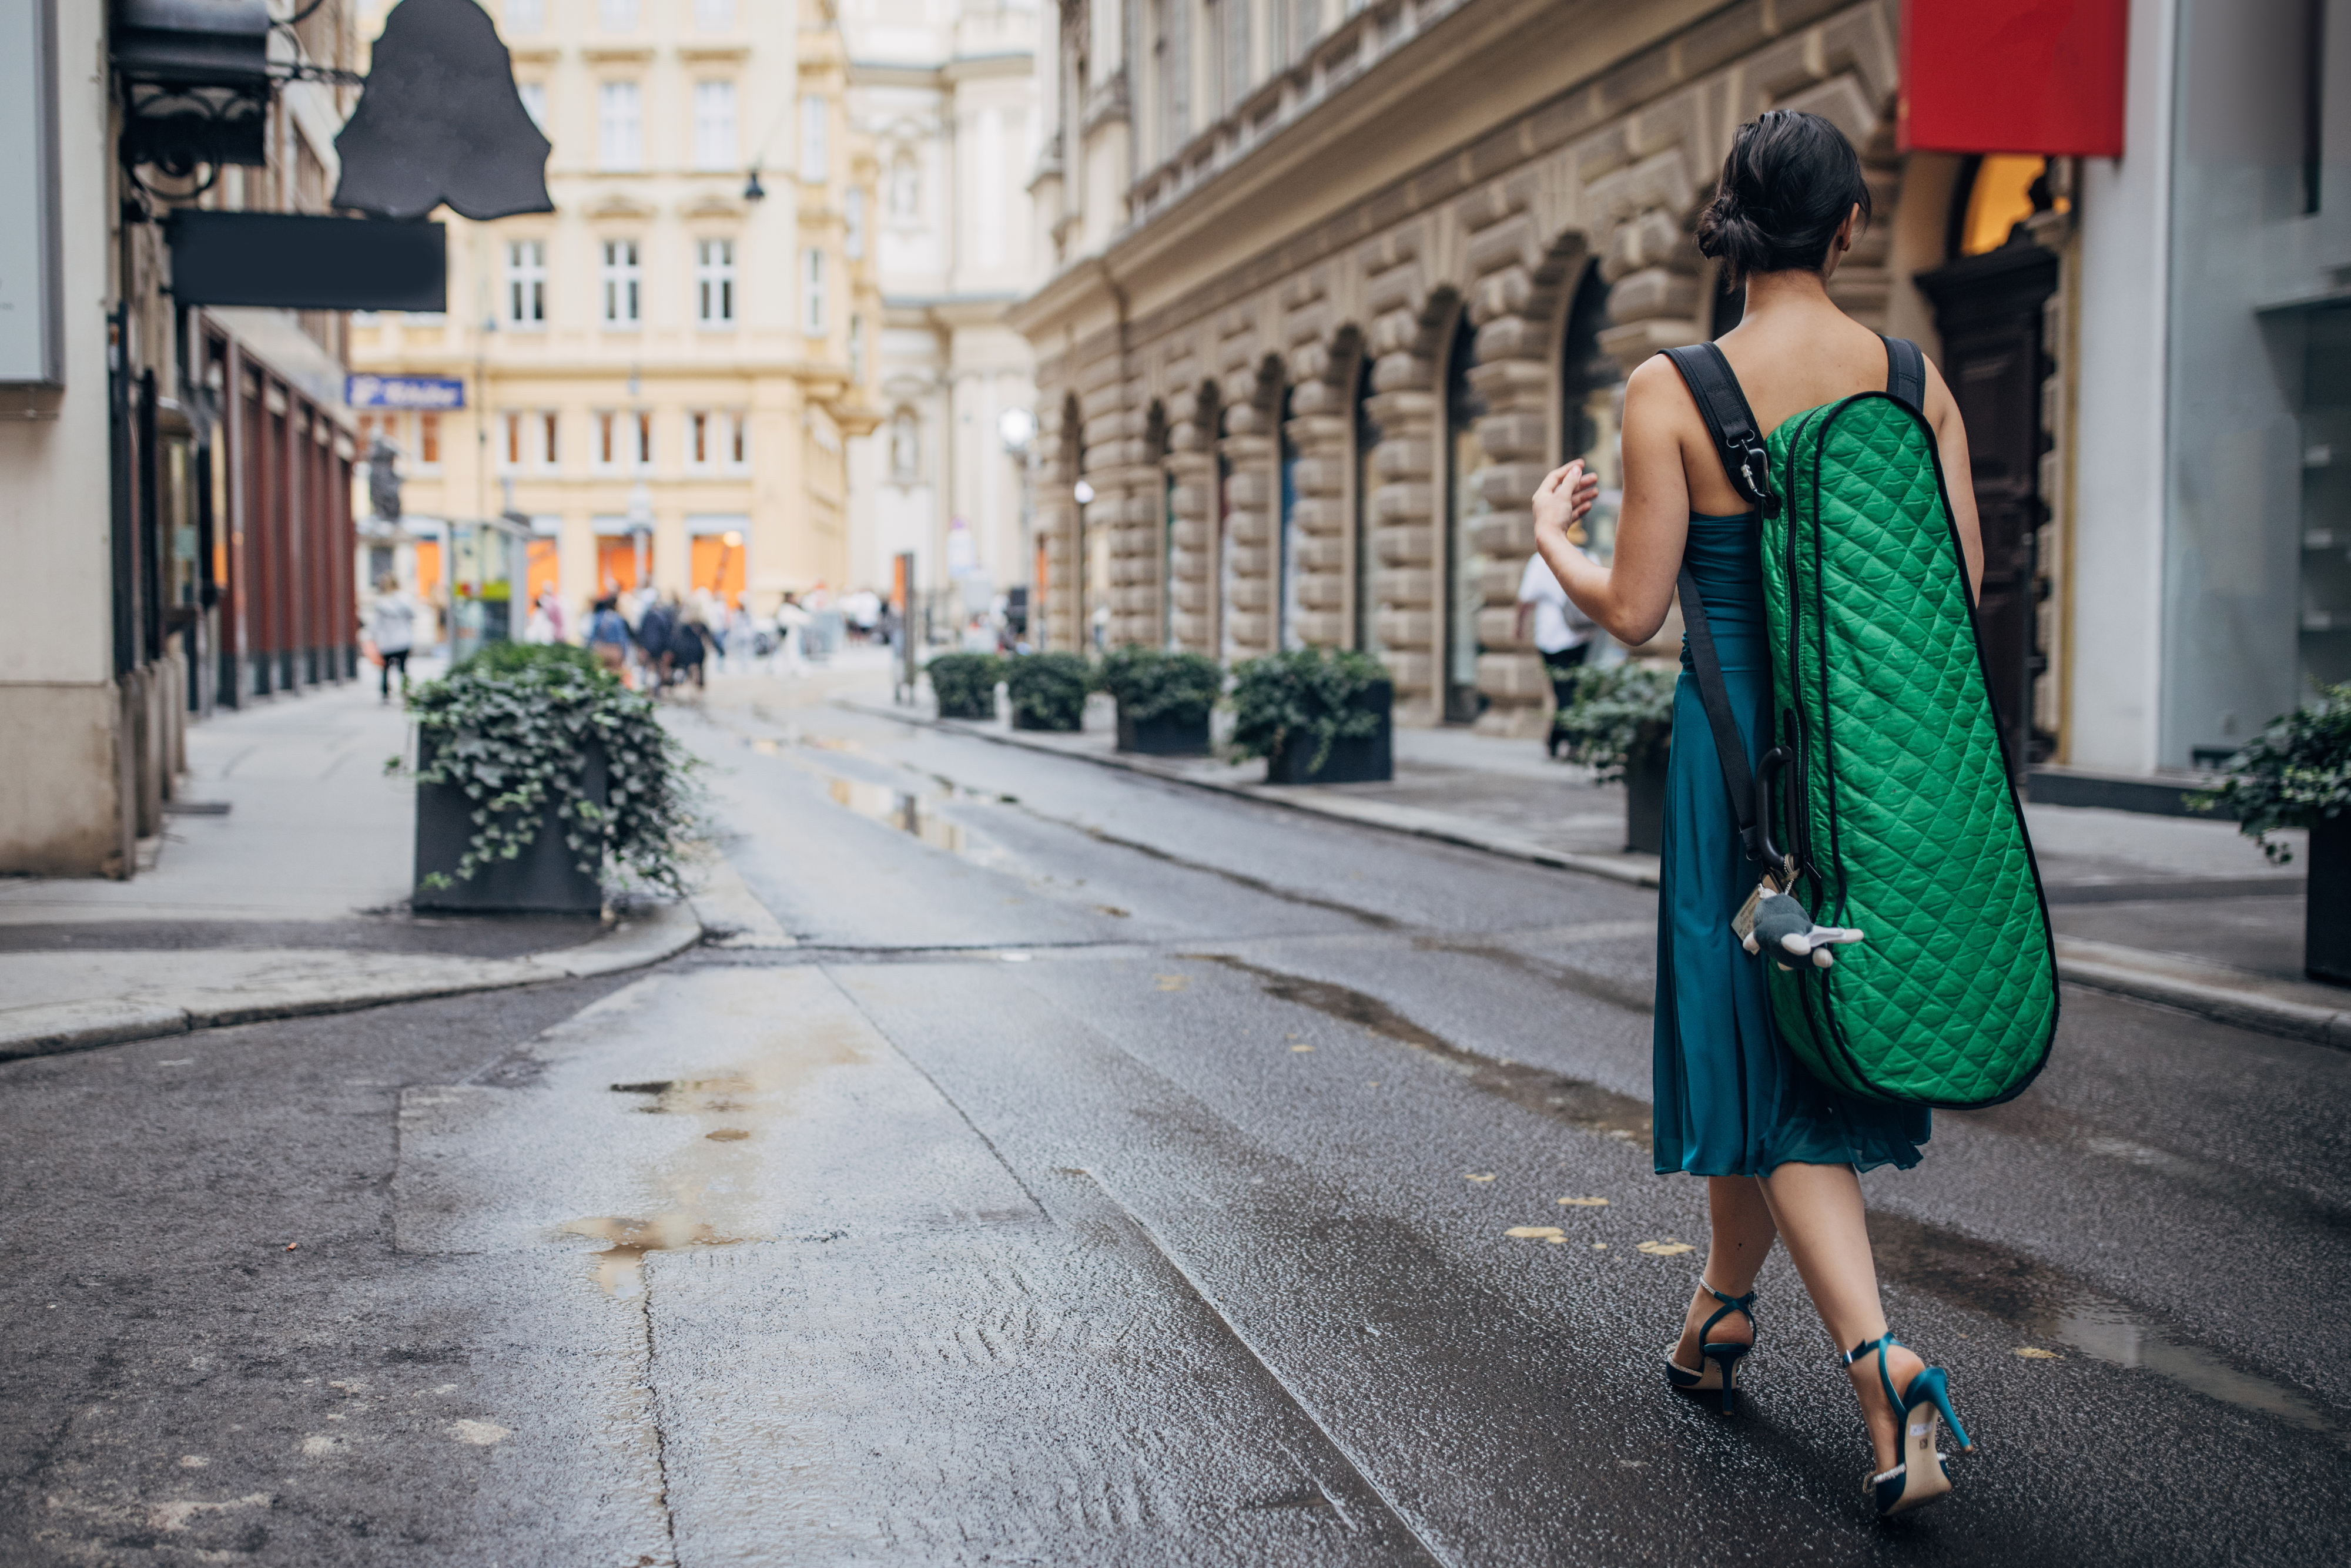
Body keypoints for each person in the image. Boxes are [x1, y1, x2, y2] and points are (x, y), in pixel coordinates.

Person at [1531, 109, 1987, 1518]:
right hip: (1866, 775)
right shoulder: (1912, 384)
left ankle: (1879, 1360)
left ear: (1727, 221)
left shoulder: (1673, 391)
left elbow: (1632, 609)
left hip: (1737, 786)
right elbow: (1953, 593)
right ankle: (1721, 1311)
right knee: (1771, 1051)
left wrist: (1555, 537)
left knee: (1776, 1067)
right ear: (1849, 226)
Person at [1515, 551, 1596, 757]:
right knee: (1569, 688)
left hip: (1551, 637)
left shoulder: (1543, 559)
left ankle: (1561, 738)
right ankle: (1562, 738)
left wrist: (1519, 626)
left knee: (1562, 689)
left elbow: (1525, 598)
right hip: (1581, 634)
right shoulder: (1588, 556)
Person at [369, 575, 416, 703]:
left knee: (385, 669)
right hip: (403, 639)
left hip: (387, 641)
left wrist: (373, 638)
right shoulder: (404, 599)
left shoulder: (381, 602)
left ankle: (385, 694)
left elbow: (376, 624)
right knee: (402, 668)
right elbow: (412, 616)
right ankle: (405, 692)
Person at [586, 595, 632, 682]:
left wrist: (589, 650)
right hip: (614, 650)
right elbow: (622, 638)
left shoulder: (597, 617)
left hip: (600, 650)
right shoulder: (618, 618)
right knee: (615, 676)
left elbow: (592, 636)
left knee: (600, 676)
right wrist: (624, 653)